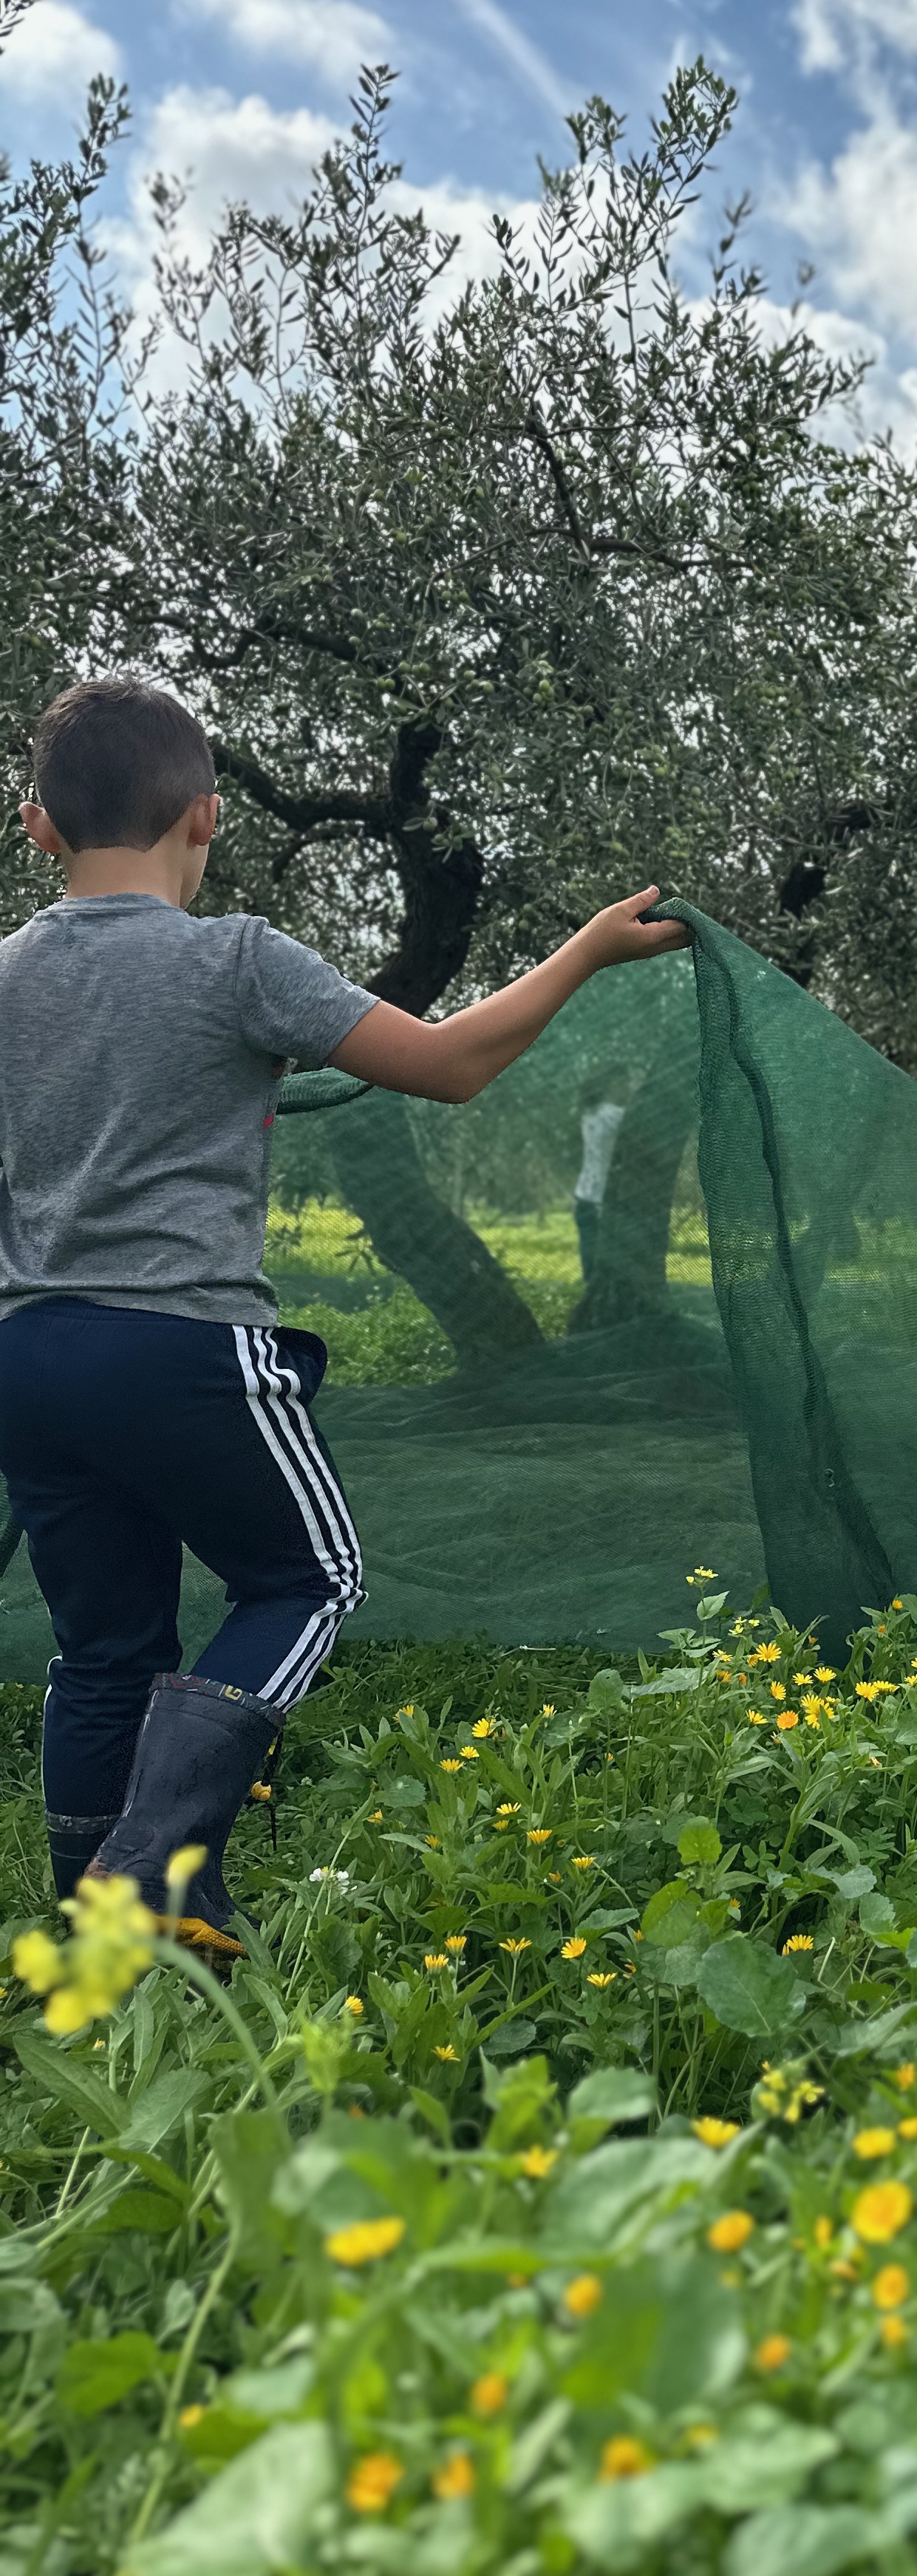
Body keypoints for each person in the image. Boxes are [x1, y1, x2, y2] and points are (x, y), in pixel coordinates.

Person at [0, 676, 684, 1950]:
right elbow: (451, 1066)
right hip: (184, 1343)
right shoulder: (236, 958)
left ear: (38, 826)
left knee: (103, 1646)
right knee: (310, 1575)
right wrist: (584, 950)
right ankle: (153, 1870)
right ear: (206, 818)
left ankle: (91, 1937)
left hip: (30, 1355)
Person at [573, 1068, 630, 1282]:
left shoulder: (589, 1113)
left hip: (584, 1197)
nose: (629, 1089)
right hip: (602, 1202)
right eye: (625, 1083)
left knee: (591, 1265)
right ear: (613, 1085)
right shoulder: (615, 1115)